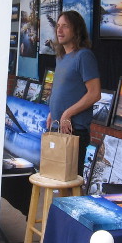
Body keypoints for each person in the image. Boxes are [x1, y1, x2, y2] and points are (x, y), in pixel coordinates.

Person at [46, 10, 101, 176]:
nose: (59, 30)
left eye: (65, 26)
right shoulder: (61, 57)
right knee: (55, 179)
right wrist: (53, 112)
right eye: (58, 26)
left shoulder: (84, 56)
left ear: (76, 30)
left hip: (74, 131)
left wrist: (67, 113)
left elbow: (95, 93)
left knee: (70, 182)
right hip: (57, 127)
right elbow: (64, 90)